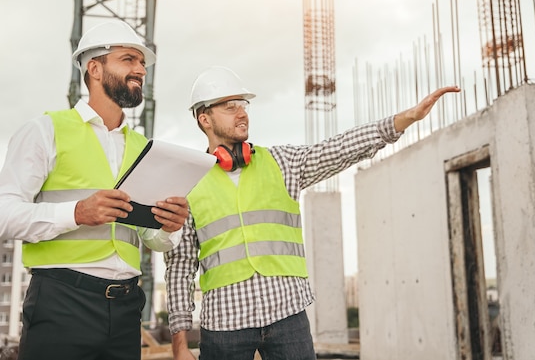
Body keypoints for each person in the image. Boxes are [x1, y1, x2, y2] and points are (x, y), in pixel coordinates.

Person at [164, 65, 460, 360]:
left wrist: (403, 120)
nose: (242, 113)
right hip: (225, 323)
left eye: (243, 105)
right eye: (230, 106)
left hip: (287, 315)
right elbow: (180, 265)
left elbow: (339, 148)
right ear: (205, 119)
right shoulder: (189, 183)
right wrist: (179, 343)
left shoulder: (282, 163)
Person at [0, 20, 190, 360]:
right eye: (128, 59)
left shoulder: (144, 148)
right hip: (61, 304)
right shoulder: (45, 131)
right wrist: (77, 213)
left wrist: (170, 227)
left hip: (126, 311)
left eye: (142, 62)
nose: (140, 69)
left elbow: (151, 238)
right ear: (94, 68)